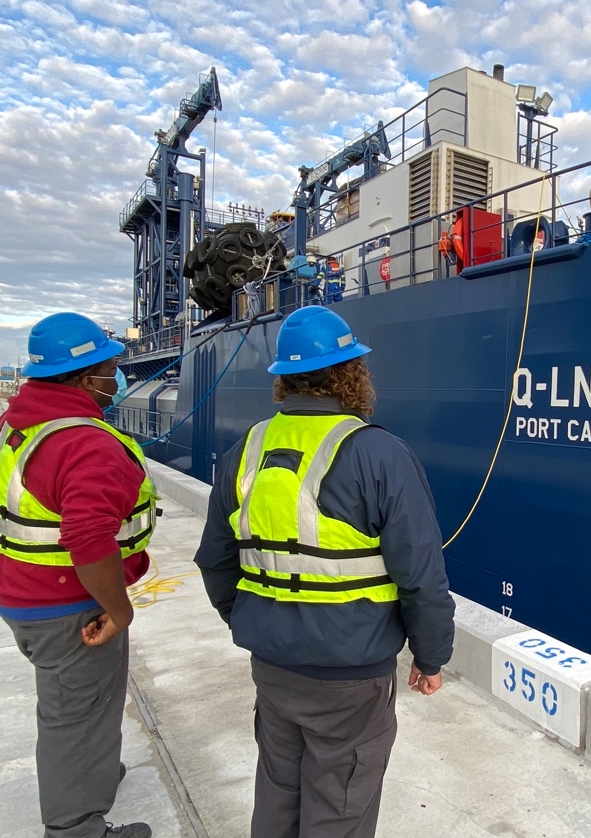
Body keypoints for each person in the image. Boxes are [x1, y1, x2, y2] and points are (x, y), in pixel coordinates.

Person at [194, 305, 456, 838]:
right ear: (351, 374)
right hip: (350, 674)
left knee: (277, 793)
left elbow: (215, 561)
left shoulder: (245, 451)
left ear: (283, 380)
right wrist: (431, 658)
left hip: (272, 663)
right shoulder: (379, 454)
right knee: (340, 804)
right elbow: (421, 575)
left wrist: (256, 620)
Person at [0, 312, 157, 838]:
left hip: (17, 592)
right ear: (85, 378)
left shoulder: (14, 424)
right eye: (109, 367)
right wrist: (119, 608)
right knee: (76, 711)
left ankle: (92, 773)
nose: (116, 377)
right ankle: (77, 824)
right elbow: (87, 538)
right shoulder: (86, 443)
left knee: (85, 703)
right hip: (69, 607)